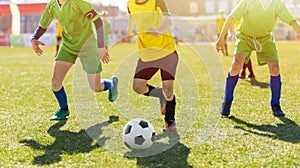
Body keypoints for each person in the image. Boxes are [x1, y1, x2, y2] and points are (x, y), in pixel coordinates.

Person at [31, 0, 118, 121]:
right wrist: (34, 38)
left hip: (88, 47)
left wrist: (101, 46)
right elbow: (43, 25)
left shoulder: (78, 3)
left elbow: (98, 21)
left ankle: (112, 84)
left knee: (96, 87)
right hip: (68, 46)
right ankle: (63, 109)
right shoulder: (52, 6)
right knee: (55, 82)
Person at [216, 0, 300, 117]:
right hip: (245, 37)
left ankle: (275, 105)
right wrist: (221, 39)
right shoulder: (248, 1)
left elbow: (292, 22)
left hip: (265, 39)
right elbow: (231, 17)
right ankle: (227, 101)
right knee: (236, 66)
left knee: (275, 69)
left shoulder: (277, 4)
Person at [127, 0, 178, 131]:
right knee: (138, 87)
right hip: (147, 54)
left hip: (166, 51)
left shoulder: (157, 1)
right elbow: (132, 20)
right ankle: (159, 94)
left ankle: (170, 120)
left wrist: (159, 30)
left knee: (168, 91)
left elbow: (168, 20)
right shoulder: (130, 4)